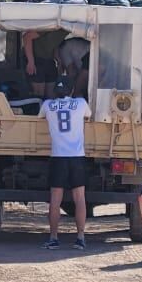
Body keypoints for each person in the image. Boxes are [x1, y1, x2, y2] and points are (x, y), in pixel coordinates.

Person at [40, 75, 92, 250]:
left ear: (55, 91)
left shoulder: (48, 105)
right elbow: (89, 115)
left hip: (58, 156)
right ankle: (80, 238)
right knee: (80, 198)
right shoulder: (81, 104)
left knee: (55, 199)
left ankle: (54, 238)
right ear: (72, 90)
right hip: (77, 156)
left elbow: (40, 117)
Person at [22, 26, 69, 96]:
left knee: (51, 96)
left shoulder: (68, 29)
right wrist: (31, 61)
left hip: (49, 61)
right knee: (38, 95)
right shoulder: (51, 25)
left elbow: (55, 42)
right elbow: (27, 37)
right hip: (36, 60)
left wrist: (58, 59)